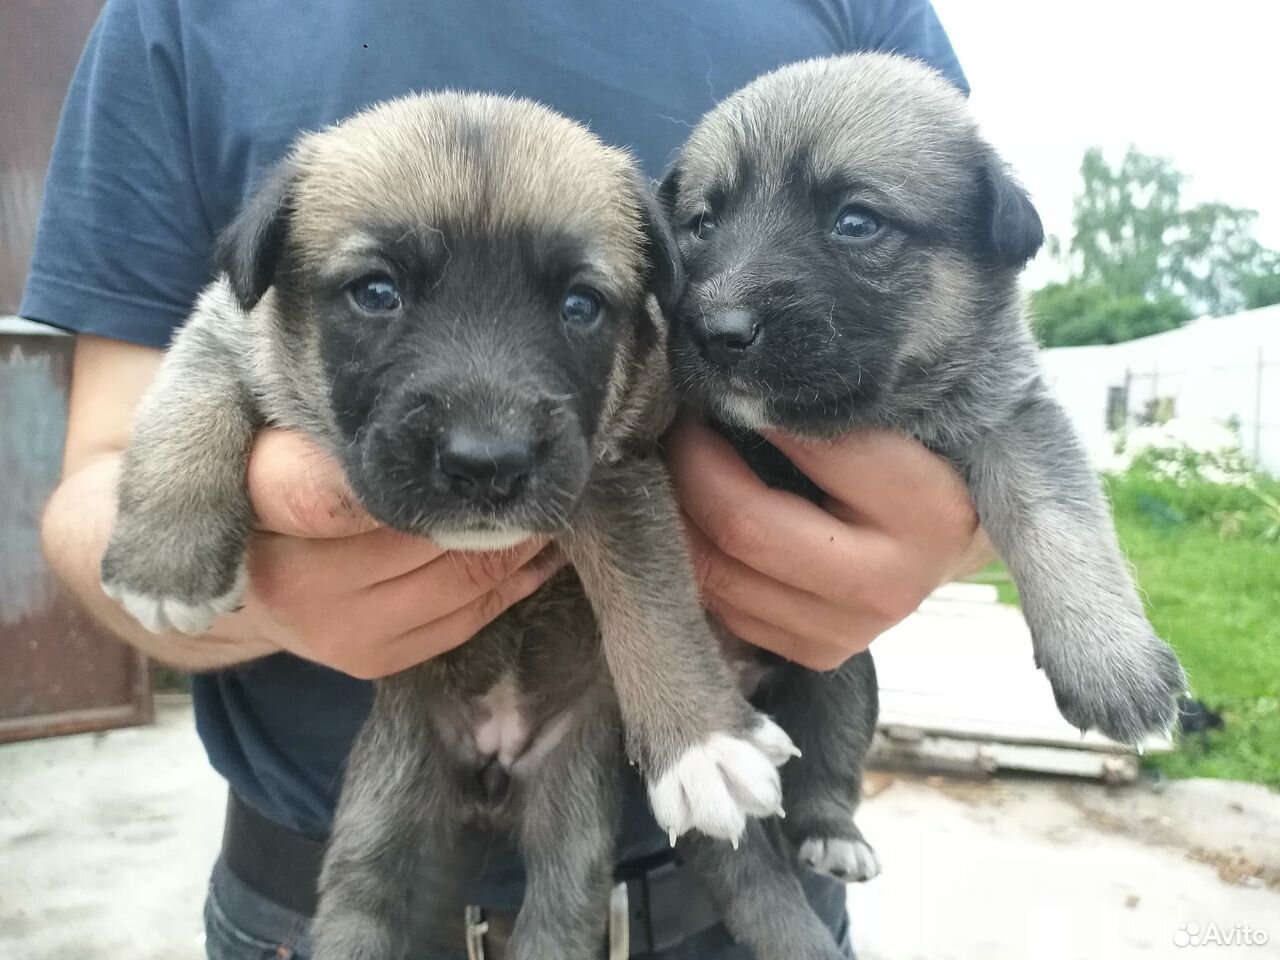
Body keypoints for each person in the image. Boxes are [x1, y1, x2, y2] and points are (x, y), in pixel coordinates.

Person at [26, 1, 990, 957]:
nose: (487, 442)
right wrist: (239, 586)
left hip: (743, 869)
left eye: (581, 303)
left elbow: (987, 383)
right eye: (376, 291)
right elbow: (127, 448)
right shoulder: (185, 17)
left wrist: (951, 531)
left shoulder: (863, 15)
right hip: (324, 901)